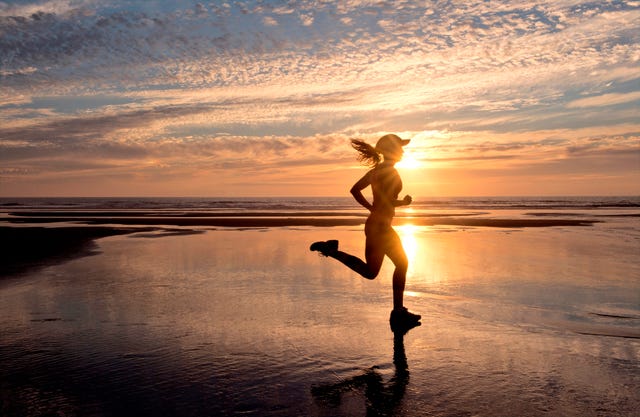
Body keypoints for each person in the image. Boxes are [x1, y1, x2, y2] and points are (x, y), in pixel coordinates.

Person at [310, 134, 421, 330]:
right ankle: (398, 312)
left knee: (371, 272)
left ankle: (332, 250)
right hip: (381, 227)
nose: (403, 151)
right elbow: (383, 200)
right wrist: (396, 204)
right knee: (402, 263)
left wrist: (374, 208)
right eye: (400, 147)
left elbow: (356, 190)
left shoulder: (376, 171)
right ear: (392, 150)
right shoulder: (391, 173)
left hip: (375, 225)